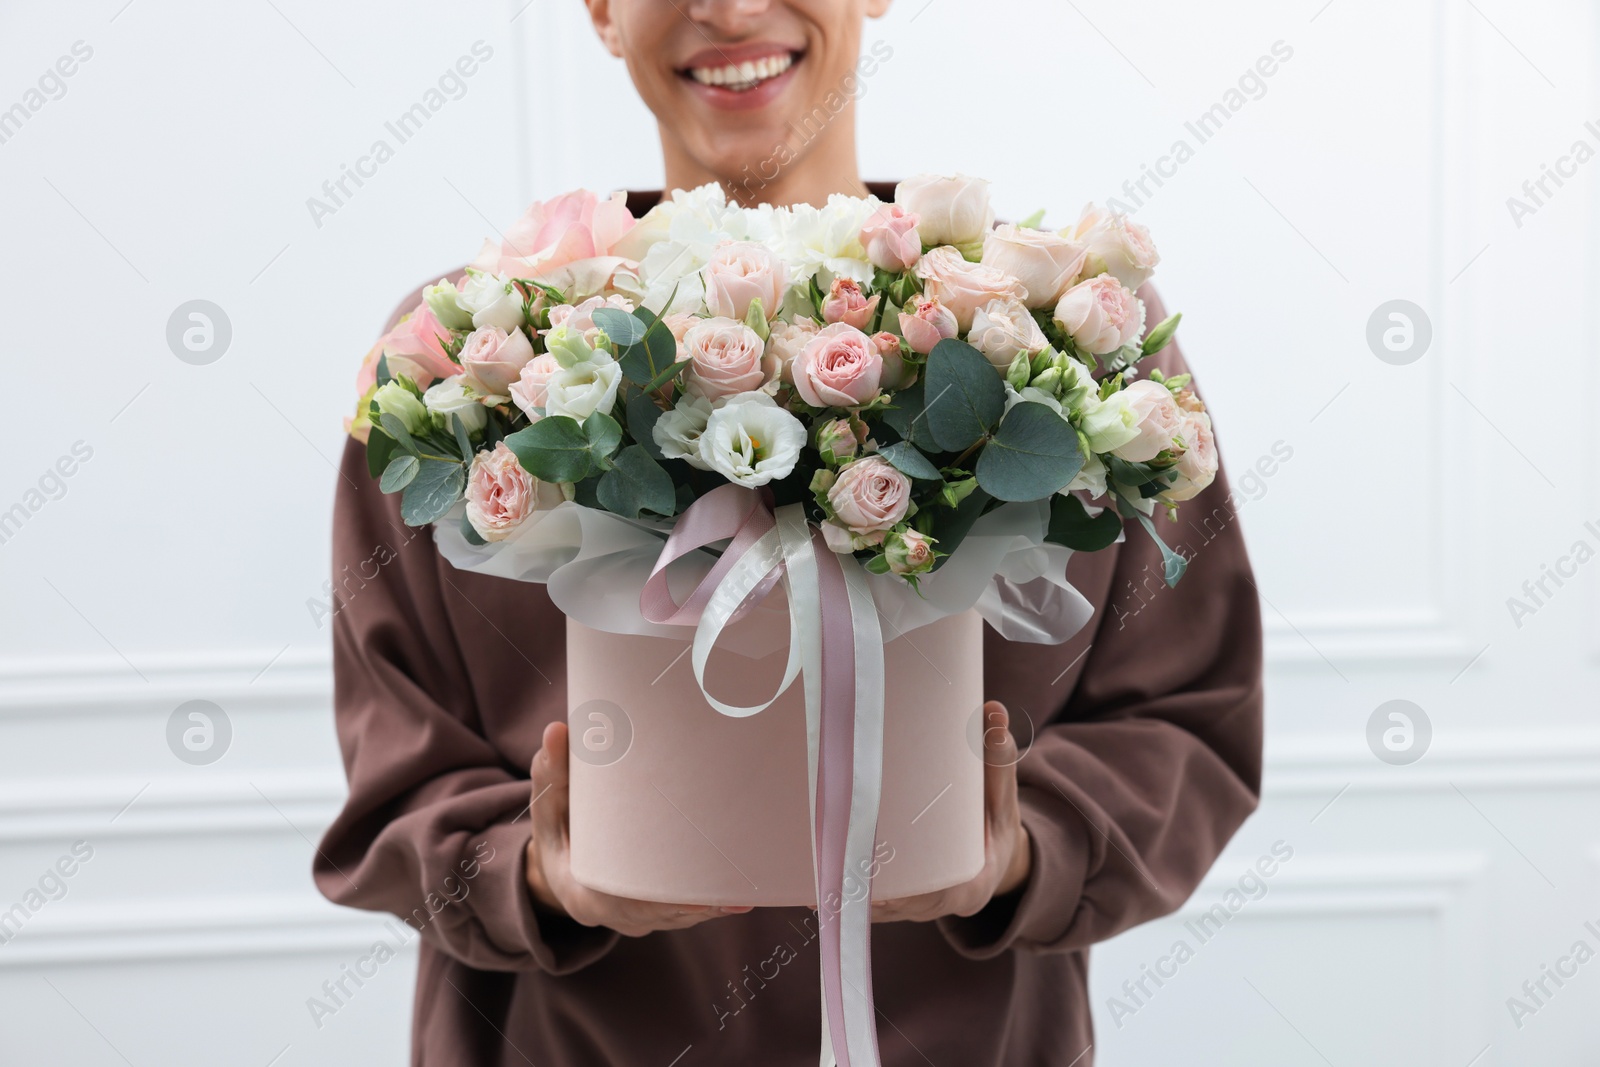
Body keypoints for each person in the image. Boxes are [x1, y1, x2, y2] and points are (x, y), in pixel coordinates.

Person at [316, 1, 1264, 1063]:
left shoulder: (1067, 345)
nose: (726, 9)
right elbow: (401, 776)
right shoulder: (458, 365)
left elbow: (1184, 716)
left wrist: (1019, 853)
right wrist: (532, 871)